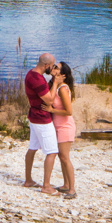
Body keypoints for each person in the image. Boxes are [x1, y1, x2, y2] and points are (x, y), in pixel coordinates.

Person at [22, 52, 60, 195]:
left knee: (32, 147)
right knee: (52, 151)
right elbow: (49, 100)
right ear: (46, 65)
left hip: (34, 116)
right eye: (52, 66)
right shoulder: (37, 79)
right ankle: (46, 186)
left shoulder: (31, 74)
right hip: (41, 118)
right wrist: (55, 82)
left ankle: (28, 180)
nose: (53, 68)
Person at [45, 60, 77, 199]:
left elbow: (69, 111)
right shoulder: (54, 85)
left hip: (65, 126)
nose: (53, 68)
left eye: (56, 67)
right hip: (57, 126)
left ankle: (72, 190)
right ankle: (65, 185)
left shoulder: (62, 88)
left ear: (62, 74)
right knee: (60, 156)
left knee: (64, 157)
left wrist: (52, 110)